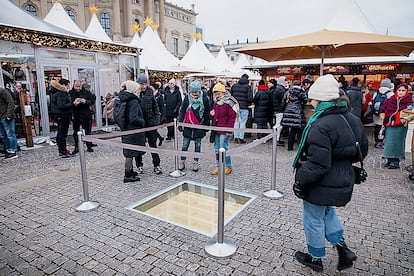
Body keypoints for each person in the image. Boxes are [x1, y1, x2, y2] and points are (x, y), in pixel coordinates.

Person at [292, 74, 368, 272]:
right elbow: (363, 151)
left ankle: (315, 258)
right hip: (343, 177)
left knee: (313, 217)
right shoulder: (352, 118)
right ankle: (343, 249)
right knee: (327, 212)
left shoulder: (320, 125)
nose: (311, 102)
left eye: (313, 98)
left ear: (321, 99)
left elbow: (318, 164)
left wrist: (300, 179)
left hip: (321, 181)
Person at [178, 80, 211, 172]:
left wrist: (207, 126)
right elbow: (182, 110)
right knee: (185, 145)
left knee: (198, 145)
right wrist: (180, 123)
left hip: (199, 126)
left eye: (196, 92)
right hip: (188, 126)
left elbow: (207, 113)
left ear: (199, 91)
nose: (194, 94)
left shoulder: (204, 99)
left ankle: (196, 162)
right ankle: (182, 161)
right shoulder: (187, 98)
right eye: (193, 92)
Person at [381, 83, 414, 169]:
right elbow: (384, 109)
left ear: (407, 91)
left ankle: (395, 162)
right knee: (389, 142)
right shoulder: (391, 99)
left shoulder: (409, 101)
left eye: (403, 90)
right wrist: (384, 117)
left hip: (400, 125)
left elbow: (412, 113)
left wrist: (405, 119)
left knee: (397, 143)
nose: (401, 92)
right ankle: (389, 159)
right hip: (390, 124)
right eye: (399, 90)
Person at [135, 74, 163, 175]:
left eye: (144, 84)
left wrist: (157, 120)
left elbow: (155, 107)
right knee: (139, 147)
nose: (143, 86)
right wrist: (137, 95)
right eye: (141, 84)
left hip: (150, 123)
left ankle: (157, 165)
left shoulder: (150, 92)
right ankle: (139, 166)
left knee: (153, 146)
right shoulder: (134, 93)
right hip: (139, 125)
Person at [119, 80, 146, 183]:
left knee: (129, 151)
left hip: (126, 129)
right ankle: (127, 174)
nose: (139, 91)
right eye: (137, 89)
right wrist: (142, 122)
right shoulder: (133, 101)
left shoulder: (123, 98)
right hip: (133, 131)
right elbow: (133, 118)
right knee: (130, 153)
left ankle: (130, 171)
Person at [210, 82, 239, 175]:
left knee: (224, 148)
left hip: (225, 130)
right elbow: (215, 116)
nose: (217, 94)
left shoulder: (228, 102)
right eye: (215, 92)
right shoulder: (216, 102)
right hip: (216, 129)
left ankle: (228, 166)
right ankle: (218, 166)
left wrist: (229, 130)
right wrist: (211, 114)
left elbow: (232, 117)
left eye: (218, 92)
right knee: (216, 149)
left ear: (223, 92)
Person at [69, 80, 94, 154]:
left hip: (86, 114)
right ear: (73, 85)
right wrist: (74, 103)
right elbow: (68, 103)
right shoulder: (70, 93)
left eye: (79, 86)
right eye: (76, 86)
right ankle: (77, 147)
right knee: (76, 132)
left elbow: (92, 101)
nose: (77, 88)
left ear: (81, 85)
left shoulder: (86, 92)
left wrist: (85, 101)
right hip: (76, 115)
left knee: (88, 131)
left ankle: (89, 145)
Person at [50, 79, 74, 158]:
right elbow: (62, 105)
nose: (68, 87)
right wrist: (72, 103)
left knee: (60, 133)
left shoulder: (54, 93)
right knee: (62, 134)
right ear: (64, 85)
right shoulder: (61, 94)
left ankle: (62, 150)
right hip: (63, 115)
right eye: (67, 85)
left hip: (58, 115)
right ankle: (63, 151)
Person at [281, 80, 307, 151]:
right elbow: (305, 100)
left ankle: (290, 146)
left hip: (289, 111)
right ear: (300, 84)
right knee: (299, 129)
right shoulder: (301, 92)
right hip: (297, 111)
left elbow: (283, 102)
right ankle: (300, 146)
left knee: (292, 129)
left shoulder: (288, 91)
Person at [370, 78, 394, 149]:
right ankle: (381, 142)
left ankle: (377, 141)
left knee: (377, 127)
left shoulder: (376, 93)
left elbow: (372, 103)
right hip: (385, 114)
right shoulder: (390, 93)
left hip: (376, 114)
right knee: (384, 128)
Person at [231, 73, 253, 144]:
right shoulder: (248, 87)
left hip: (236, 107)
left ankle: (235, 138)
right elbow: (250, 98)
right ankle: (241, 138)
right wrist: (249, 104)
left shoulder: (234, 86)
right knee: (243, 122)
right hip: (244, 107)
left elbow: (231, 97)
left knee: (236, 122)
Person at [0, 87, 18, 159]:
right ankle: (8, 150)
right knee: (3, 135)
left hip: (6, 116)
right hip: (2, 117)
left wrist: (9, 115)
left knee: (10, 134)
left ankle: (13, 151)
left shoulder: (2, 91)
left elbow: (11, 102)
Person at [272, 76, 288, 146]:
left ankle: (276, 139)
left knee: (278, 124)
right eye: (286, 81)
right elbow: (283, 100)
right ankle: (276, 139)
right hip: (279, 109)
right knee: (278, 125)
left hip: (276, 109)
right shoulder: (281, 90)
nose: (287, 82)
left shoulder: (277, 88)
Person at [152, 82, 166, 146]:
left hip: (158, 114)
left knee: (154, 129)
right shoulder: (151, 94)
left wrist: (162, 116)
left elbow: (162, 107)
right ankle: (160, 138)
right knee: (153, 130)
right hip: (152, 114)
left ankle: (155, 142)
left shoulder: (159, 96)